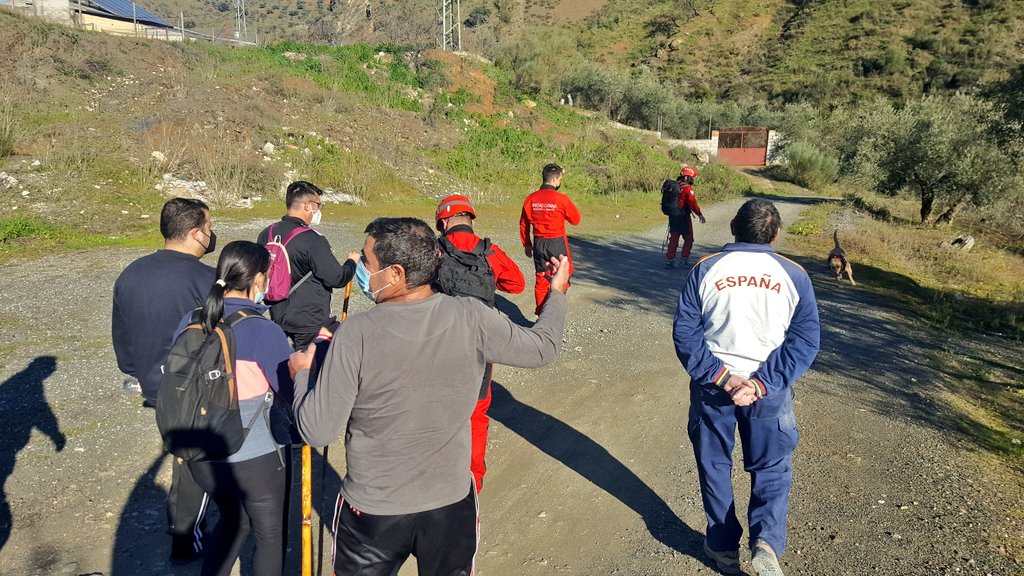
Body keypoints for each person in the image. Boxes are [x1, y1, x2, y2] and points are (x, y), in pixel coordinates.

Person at [290, 217, 569, 576]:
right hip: (451, 503)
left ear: (394, 274)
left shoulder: (356, 333)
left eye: (366, 261)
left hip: (373, 511)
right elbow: (543, 347)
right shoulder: (473, 316)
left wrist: (303, 374)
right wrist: (556, 293)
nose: (360, 267)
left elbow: (316, 430)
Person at [673, 198, 820, 576]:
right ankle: (767, 543)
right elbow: (805, 341)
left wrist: (722, 377)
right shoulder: (794, 275)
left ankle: (722, 549)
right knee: (771, 466)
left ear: (733, 230)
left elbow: (686, 334)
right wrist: (761, 384)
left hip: (712, 390)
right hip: (768, 394)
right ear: (776, 234)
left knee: (714, 465)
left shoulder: (705, 269)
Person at [178, 241, 294, 576]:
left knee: (232, 520)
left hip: (202, 451)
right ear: (258, 279)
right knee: (269, 534)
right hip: (253, 454)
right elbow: (287, 391)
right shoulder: (262, 329)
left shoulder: (191, 319)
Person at [111, 197, 216, 561]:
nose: (211, 234)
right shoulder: (206, 279)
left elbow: (121, 333)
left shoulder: (131, 273)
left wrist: (133, 370)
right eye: (209, 227)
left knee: (183, 451)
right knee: (193, 460)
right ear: (194, 233)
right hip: (197, 385)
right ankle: (186, 538)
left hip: (155, 383)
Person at [435, 194, 526, 492]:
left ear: (443, 222)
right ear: (471, 220)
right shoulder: (490, 252)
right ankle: (473, 481)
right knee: (476, 413)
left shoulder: (434, 251)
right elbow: (517, 284)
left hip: (438, 342)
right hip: (480, 344)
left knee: (435, 406)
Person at [256, 180, 359, 350]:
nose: (318, 211)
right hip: (309, 319)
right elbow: (337, 278)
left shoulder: (267, 233)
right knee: (307, 368)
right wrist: (351, 263)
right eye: (318, 205)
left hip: (277, 311)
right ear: (307, 206)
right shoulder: (313, 240)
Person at [520, 163, 581, 315]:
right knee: (563, 275)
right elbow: (576, 220)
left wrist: (527, 244)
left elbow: (523, 224)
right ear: (555, 179)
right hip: (557, 242)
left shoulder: (531, 198)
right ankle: (556, 312)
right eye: (560, 178)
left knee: (541, 278)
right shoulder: (561, 199)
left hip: (539, 243)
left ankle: (541, 315)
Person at [665, 165, 706, 269]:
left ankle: (670, 260)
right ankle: (683, 260)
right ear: (687, 178)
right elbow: (693, 204)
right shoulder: (688, 190)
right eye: (692, 177)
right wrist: (700, 214)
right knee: (688, 239)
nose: (693, 180)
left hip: (673, 216)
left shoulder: (674, 187)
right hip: (683, 217)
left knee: (673, 238)